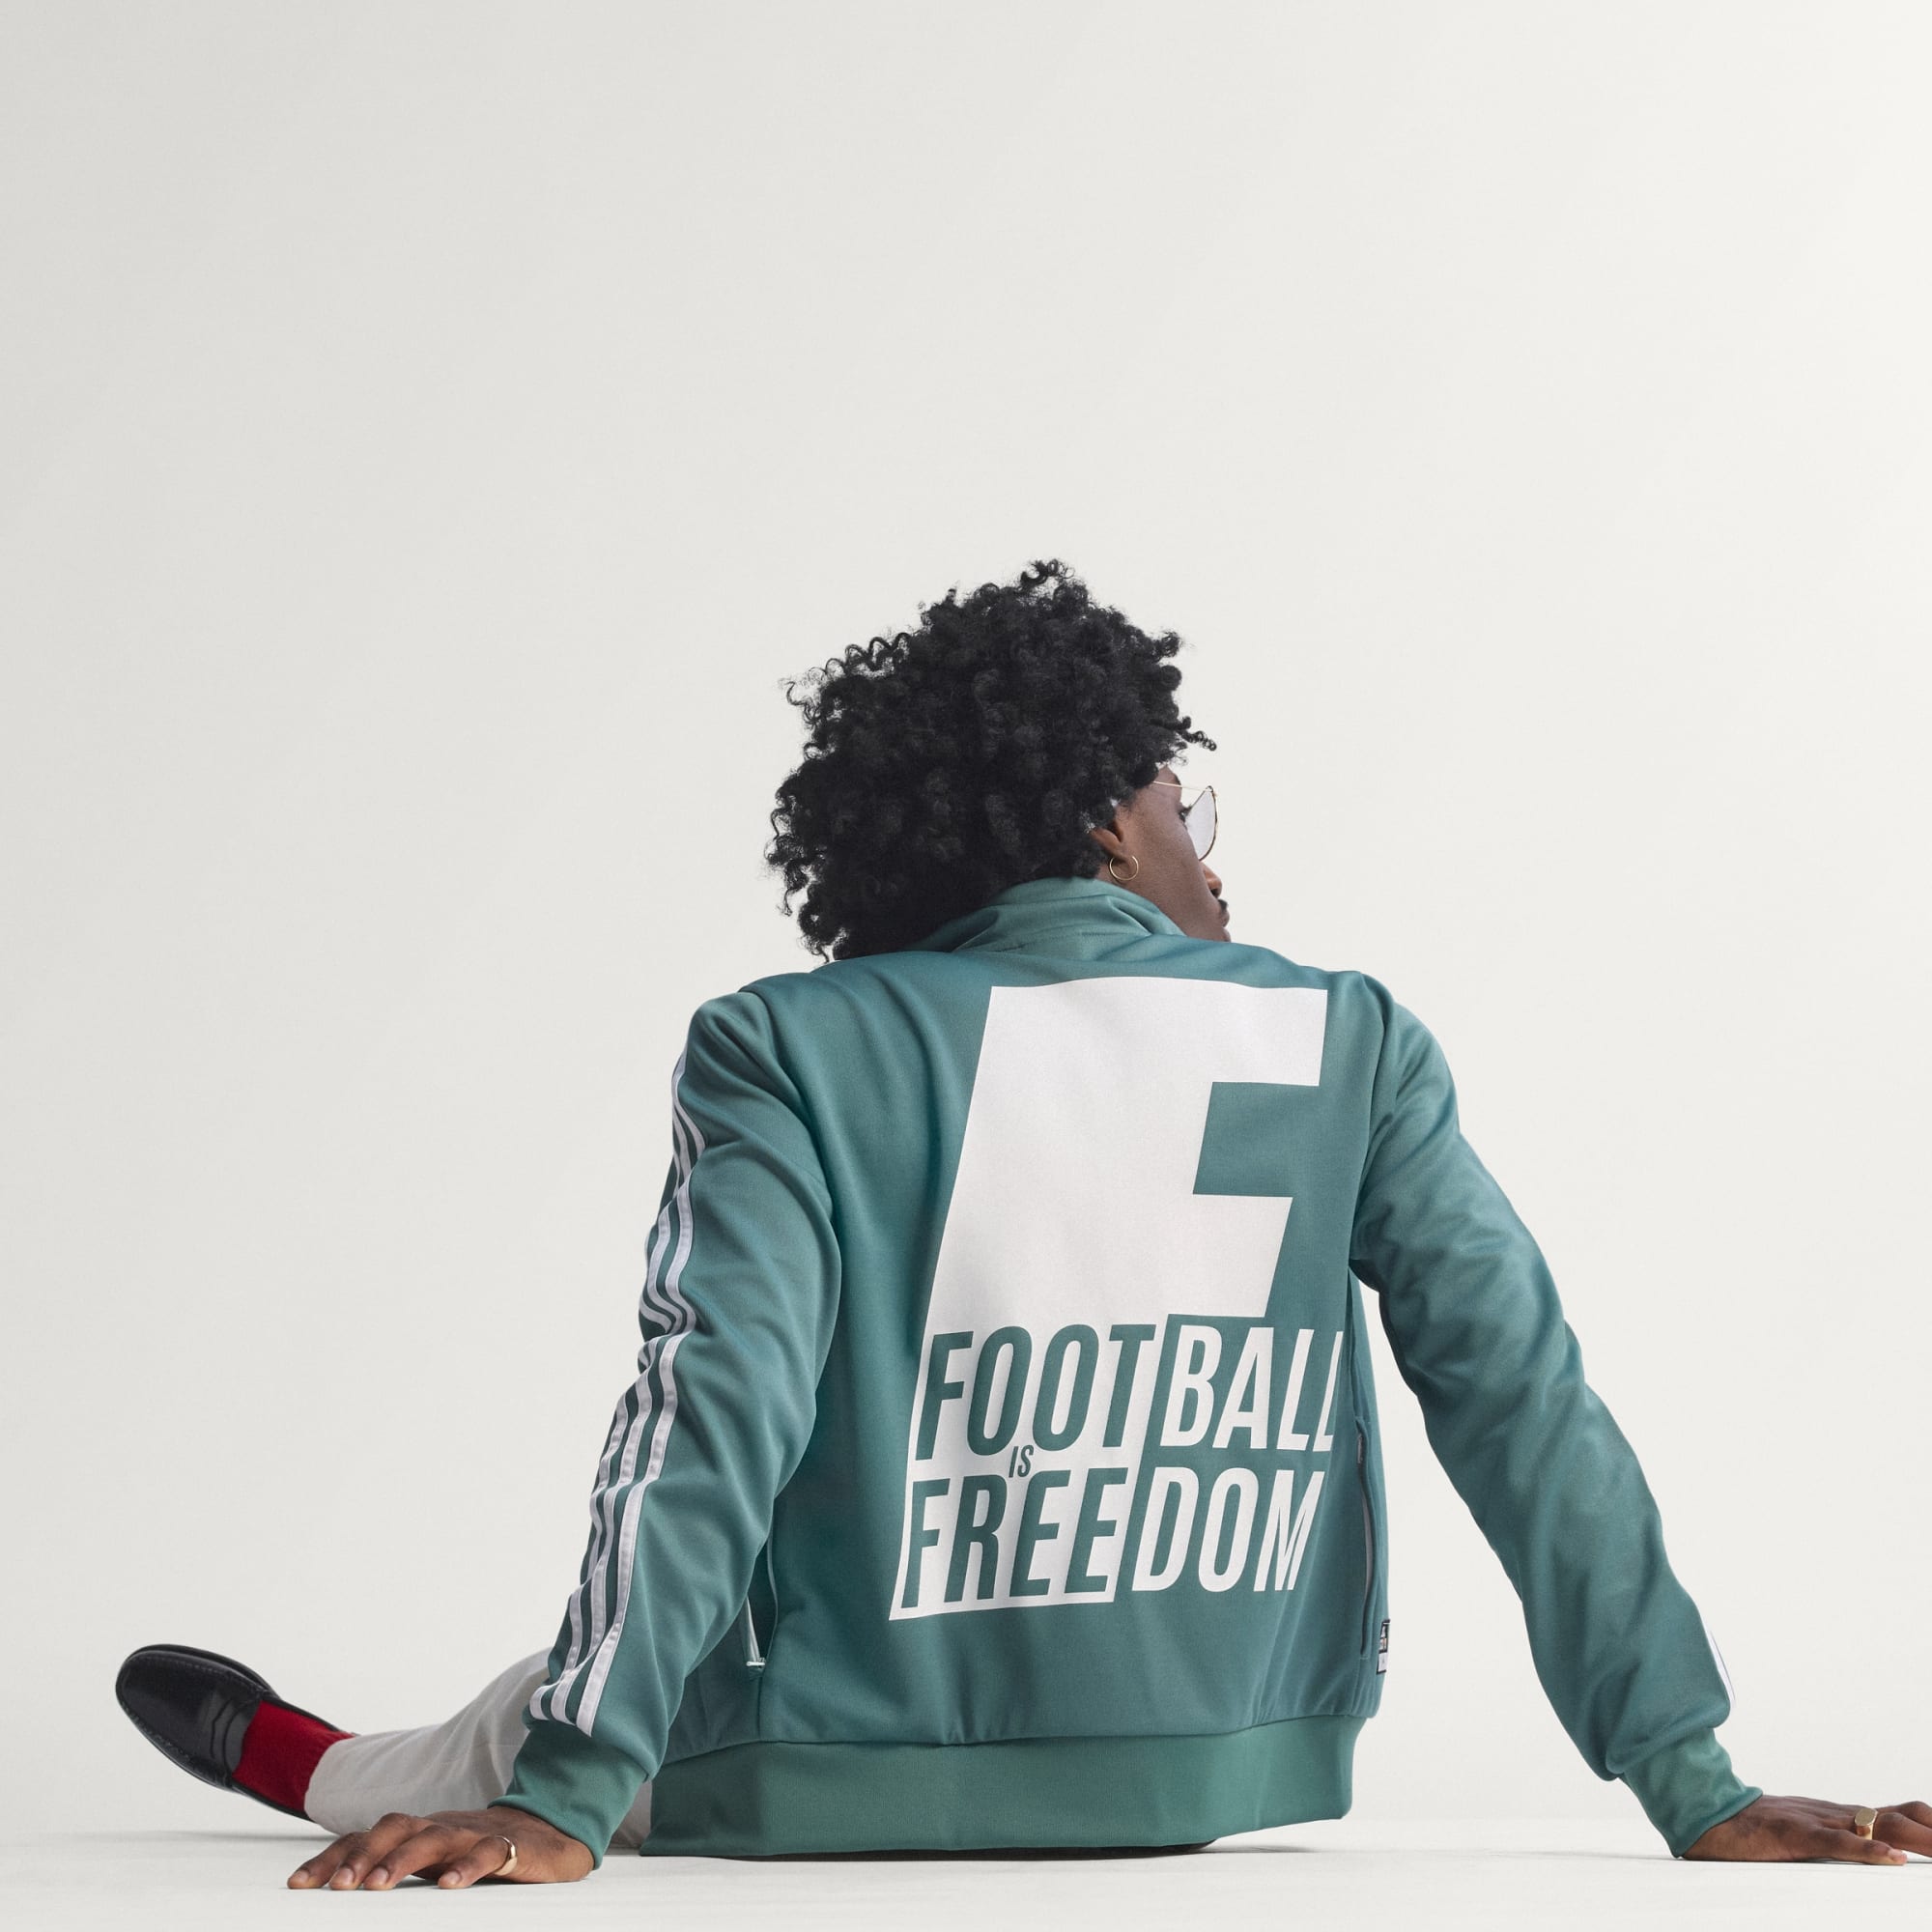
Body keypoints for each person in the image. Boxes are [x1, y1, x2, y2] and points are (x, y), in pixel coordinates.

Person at [117, 558, 1924, 1889]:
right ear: (1097, 820)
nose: (1213, 856)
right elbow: (1525, 1401)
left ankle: (299, 1757)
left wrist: (566, 1793)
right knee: (524, 1716)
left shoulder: (790, 1044)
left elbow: (714, 1408)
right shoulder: (1346, 1039)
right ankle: (330, 1743)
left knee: (465, 1740)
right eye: (1182, 806)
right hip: (1212, 1766)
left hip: (809, 1761)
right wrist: (1689, 1778)